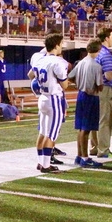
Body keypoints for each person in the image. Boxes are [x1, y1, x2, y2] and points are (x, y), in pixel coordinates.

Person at [32, 32, 70, 173]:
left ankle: (41, 162)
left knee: (43, 132)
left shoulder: (39, 59)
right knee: (51, 134)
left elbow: (31, 75)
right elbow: (65, 85)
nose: (62, 46)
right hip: (53, 99)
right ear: (56, 45)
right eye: (61, 44)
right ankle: (46, 165)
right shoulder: (57, 62)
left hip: (42, 97)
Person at [69, 38, 104, 168]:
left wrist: (78, 83)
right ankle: (85, 157)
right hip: (91, 96)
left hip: (81, 95)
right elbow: (100, 86)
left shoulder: (81, 62)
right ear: (98, 50)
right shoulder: (96, 66)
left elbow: (70, 76)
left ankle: (79, 156)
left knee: (81, 128)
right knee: (86, 129)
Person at [94, 27, 112, 158]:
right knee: (105, 120)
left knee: (95, 119)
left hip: (93, 88)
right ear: (106, 38)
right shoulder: (106, 54)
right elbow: (109, 76)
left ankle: (94, 147)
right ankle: (103, 149)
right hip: (105, 88)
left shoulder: (96, 52)